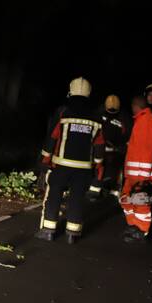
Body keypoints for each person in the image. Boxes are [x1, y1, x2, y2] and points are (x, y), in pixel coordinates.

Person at [37, 77, 105, 244]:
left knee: (54, 195)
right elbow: (99, 144)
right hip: (83, 168)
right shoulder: (96, 117)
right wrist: (98, 165)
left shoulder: (63, 111)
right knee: (77, 198)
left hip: (61, 164)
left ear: (71, 90)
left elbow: (52, 138)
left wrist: (44, 162)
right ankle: (72, 234)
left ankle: (48, 231)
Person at [120, 94, 152, 243]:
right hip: (135, 174)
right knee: (126, 198)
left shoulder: (147, 121)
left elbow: (147, 151)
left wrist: (143, 179)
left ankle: (141, 230)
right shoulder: (143, 120)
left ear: (135, 106)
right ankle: (134, 225)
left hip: (141, 175)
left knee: (140, 202)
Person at [89, 94, 130, 199]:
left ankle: (113, 189)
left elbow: (127, 134)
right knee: (96, 168)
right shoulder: (98, 113)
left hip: (115, 150)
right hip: (98, 147)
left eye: (114, 111)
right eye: (109, 110)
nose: (111, 113)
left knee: (113, 169)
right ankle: (93, 190)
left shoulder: (124, 117)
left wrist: (121, 145)